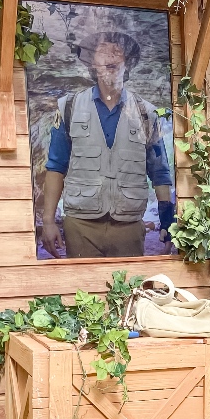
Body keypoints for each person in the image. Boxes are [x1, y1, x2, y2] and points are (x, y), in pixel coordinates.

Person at [39, 31, 173, 259]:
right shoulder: (69, 107)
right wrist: (49, 221)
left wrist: (168, 222)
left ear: (126, 63)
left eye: (117, 51)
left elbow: (159, 172)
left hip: (129, 228)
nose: (110, 56)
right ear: (93, 63)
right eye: (103, 51)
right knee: (81, 291)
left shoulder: (146, 113)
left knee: (131, 292)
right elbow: (56, 166)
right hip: (80, 227)